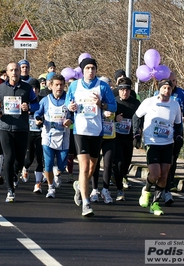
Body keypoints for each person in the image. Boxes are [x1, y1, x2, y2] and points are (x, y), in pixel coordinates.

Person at [65, 57, 117, 217]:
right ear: (82, 70)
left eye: (93, 68)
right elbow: (68, 104)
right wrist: (70, 107)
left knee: (92, 168)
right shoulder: (74, 86)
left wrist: (101, 104)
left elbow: (113, 105)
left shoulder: (103, 86)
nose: (90, 71)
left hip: (97, 131)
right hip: (80, 130)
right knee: (85, 166)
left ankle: (80, 186)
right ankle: (86, 203)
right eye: (87, 68)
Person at [0, 62, 39, 202]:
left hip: (22, 128)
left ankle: (14, 174)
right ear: (7, 73)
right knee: (9, 157)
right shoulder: (0, 88)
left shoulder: (27, 88)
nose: (14, 72)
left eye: (16, 70)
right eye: (12, 70)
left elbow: (36, 104)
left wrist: (28, 106)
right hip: (5, 128)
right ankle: (10, 190)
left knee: (20, 159)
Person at [133, 79, 182, 216]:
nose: (166, 91)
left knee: (164, 175)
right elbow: (136, 117)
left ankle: (155, 203)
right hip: (152, 142)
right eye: (164, 88)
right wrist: (136, 134)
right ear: (159, 89)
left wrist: (179, 137)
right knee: (155, 174)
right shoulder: (149, 102)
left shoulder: (175, 105)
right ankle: (146, 190)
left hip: (168, 143)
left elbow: (178, 124)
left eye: (169, 88)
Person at [34, 74, 73, 198]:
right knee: (49, 163)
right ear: (51, 86)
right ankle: (51, 188)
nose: (59, 87)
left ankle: (57, 173)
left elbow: (74, 115)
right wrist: (38, 120)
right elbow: (37, 113)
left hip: (63, 137)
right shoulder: (45, 100)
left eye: (61, 85)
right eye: (56, 85)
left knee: (61, 165)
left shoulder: (68, 99)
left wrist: (70, 121)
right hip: (48, 136)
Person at [162, 72, 184, 205]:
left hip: (177, 131)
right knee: (164, 160)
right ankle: (162, 183)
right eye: (170, 81)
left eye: (174, 81)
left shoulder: (180, 93)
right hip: (162, 133)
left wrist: (180, 109)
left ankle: (169, 182)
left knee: (172, 158)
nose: (172, 83)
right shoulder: (160, 93)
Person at [112, 77, 140, 201]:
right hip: (116, 137)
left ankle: (120, 176)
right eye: (122, 90)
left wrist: (138, 134)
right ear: (118, 90)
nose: (124, 92)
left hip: (128, 137)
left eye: (127, 90)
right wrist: (114, 117)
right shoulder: (115, 102)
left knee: (126, 163)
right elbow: (106, 116)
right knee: (118, 162)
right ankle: (119, 189)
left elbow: (141, 119)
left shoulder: (136, 104)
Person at [20, 78, 44, 193]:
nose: (34, 90)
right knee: (29, 157)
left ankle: (38, 183)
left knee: (40, 158)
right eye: (32, 88)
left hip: (40, 133)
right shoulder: (25, 101)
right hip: (28, 132)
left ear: (39, 90)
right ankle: (25, 167)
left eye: (36, 88)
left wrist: (41, 121)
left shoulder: (42, 101)